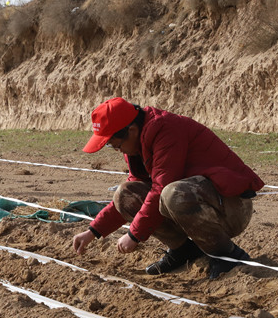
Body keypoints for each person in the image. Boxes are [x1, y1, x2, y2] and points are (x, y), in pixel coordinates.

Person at [71, 97, 264, 280]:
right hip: (203, 201)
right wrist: (93, 232)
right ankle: (183, 251)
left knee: (173, 194)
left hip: (232, 208)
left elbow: (160, 189)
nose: (118, 150)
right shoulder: (137, 144)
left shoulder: (166, 130)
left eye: (116, 145)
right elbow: (135, 194)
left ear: (131, 130)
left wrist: (134, 235)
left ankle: (227, 256)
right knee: (125, 194)